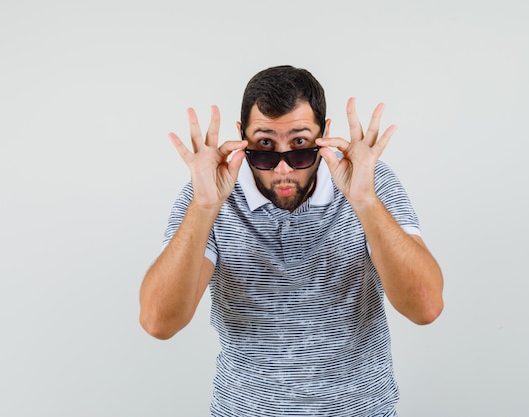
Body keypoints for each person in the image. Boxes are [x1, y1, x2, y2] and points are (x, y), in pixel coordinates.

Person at [139, 65, 444, 416]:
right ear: (242, 138)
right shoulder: (208, 195)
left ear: (324, 135)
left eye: (299, 145)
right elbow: (158, 322)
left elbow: (426, 307)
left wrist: (365, 202)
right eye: (265, 146)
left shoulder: (369, 183)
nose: (283, 169)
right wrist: (205, 206)